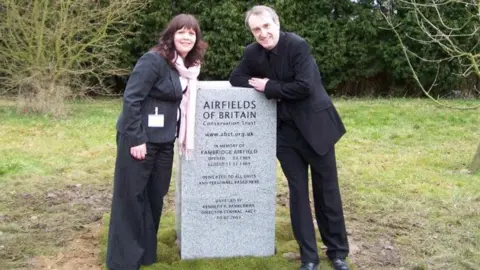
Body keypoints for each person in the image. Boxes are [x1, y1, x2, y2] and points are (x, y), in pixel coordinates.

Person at [229, 5, 350, 270]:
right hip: (284, 135)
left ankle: (337, 252)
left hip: (316, 127)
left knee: (326, 190)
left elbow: (305, 86)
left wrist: (269, 87)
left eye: (266, 26)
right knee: (298, 193)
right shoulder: (253, 52)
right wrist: (258, 82)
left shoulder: (298, 46)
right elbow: (235, 78)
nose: (262, 33)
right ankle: (308, 257)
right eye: (256, 29)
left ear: (277, 23)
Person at [106, 14, 207, 270]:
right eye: (181, 32)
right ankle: (124, 261)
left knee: (155, 196)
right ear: (171, 35)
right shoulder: (153, 60)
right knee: (131, 197)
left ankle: (145, 254)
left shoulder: (186, 68)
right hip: (139, 140)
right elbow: (132, 99)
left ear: (196, 39)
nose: (186, 37)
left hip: (164, 142)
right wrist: (136, 138)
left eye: (192, 33)